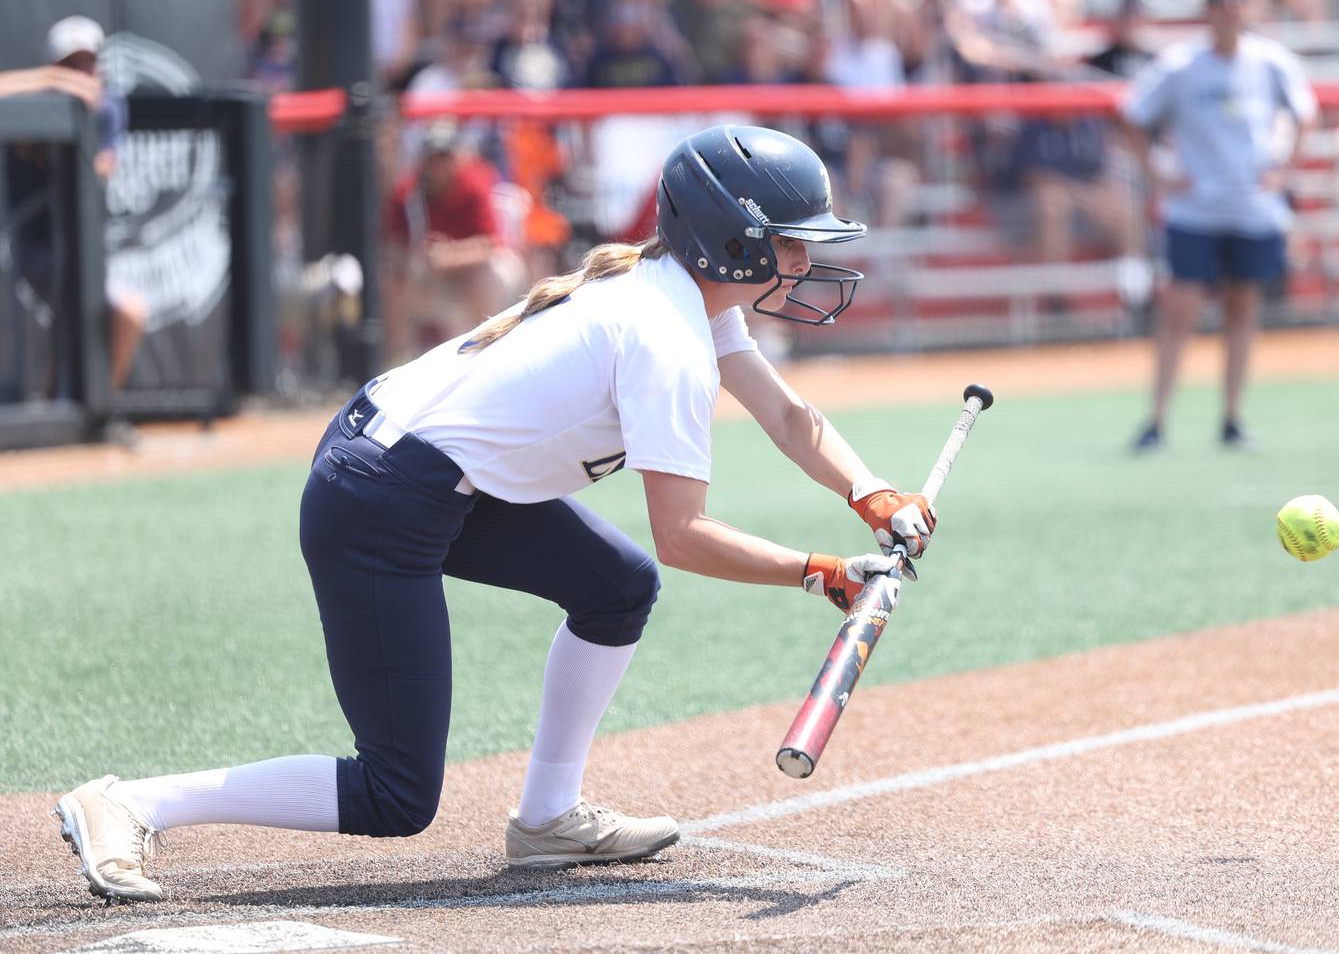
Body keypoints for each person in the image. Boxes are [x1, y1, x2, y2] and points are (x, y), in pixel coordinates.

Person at [52, 124, 941, 901]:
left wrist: (871, 493)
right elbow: (683, 537)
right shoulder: (665, 337)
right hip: (381, 495)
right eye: (789, 242)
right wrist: (817, 569)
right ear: (730, 242)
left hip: (429, 474)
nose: (806, 260)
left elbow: (789, 416)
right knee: (396, 795)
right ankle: (133, 801)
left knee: (613, 587)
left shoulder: (684, 295)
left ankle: (548, 818)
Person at [1122, 0, 1316, 451]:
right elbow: (1132, 115)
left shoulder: (1270, 60)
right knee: (1179, 311)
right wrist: (1157, 173)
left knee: (1242, 309)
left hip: (1251, 208)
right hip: (1195, 211)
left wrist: (1284, 170)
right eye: (1223, 4)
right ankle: (1156, 419)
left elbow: (1306, 114)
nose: (1231, 11)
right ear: (1208, 12)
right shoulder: (1180, 65)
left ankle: (1231, 418)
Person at [2, 16, 148, 395]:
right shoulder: (35, 98)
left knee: (127, 312)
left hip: (85, 253)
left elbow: (100, 171)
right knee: (70, 319)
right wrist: (53, 83)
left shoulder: (107, 107)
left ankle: (97, 411)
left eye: (87, 62)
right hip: (32, 248)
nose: (82, 72)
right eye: (71, 64)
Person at [382, 118, 526, 359]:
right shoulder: (409, 193)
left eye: (444, 157)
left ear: (456, 157)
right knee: (388, 277)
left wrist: (449, 256)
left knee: (494, 273)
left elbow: (489, 245)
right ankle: (399, 354)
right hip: (430, 277)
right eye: (433, 158)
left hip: (471, 272)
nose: (438, 166)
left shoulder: (474, 181)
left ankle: (486, 350)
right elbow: (393, 244)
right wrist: (413, 258)